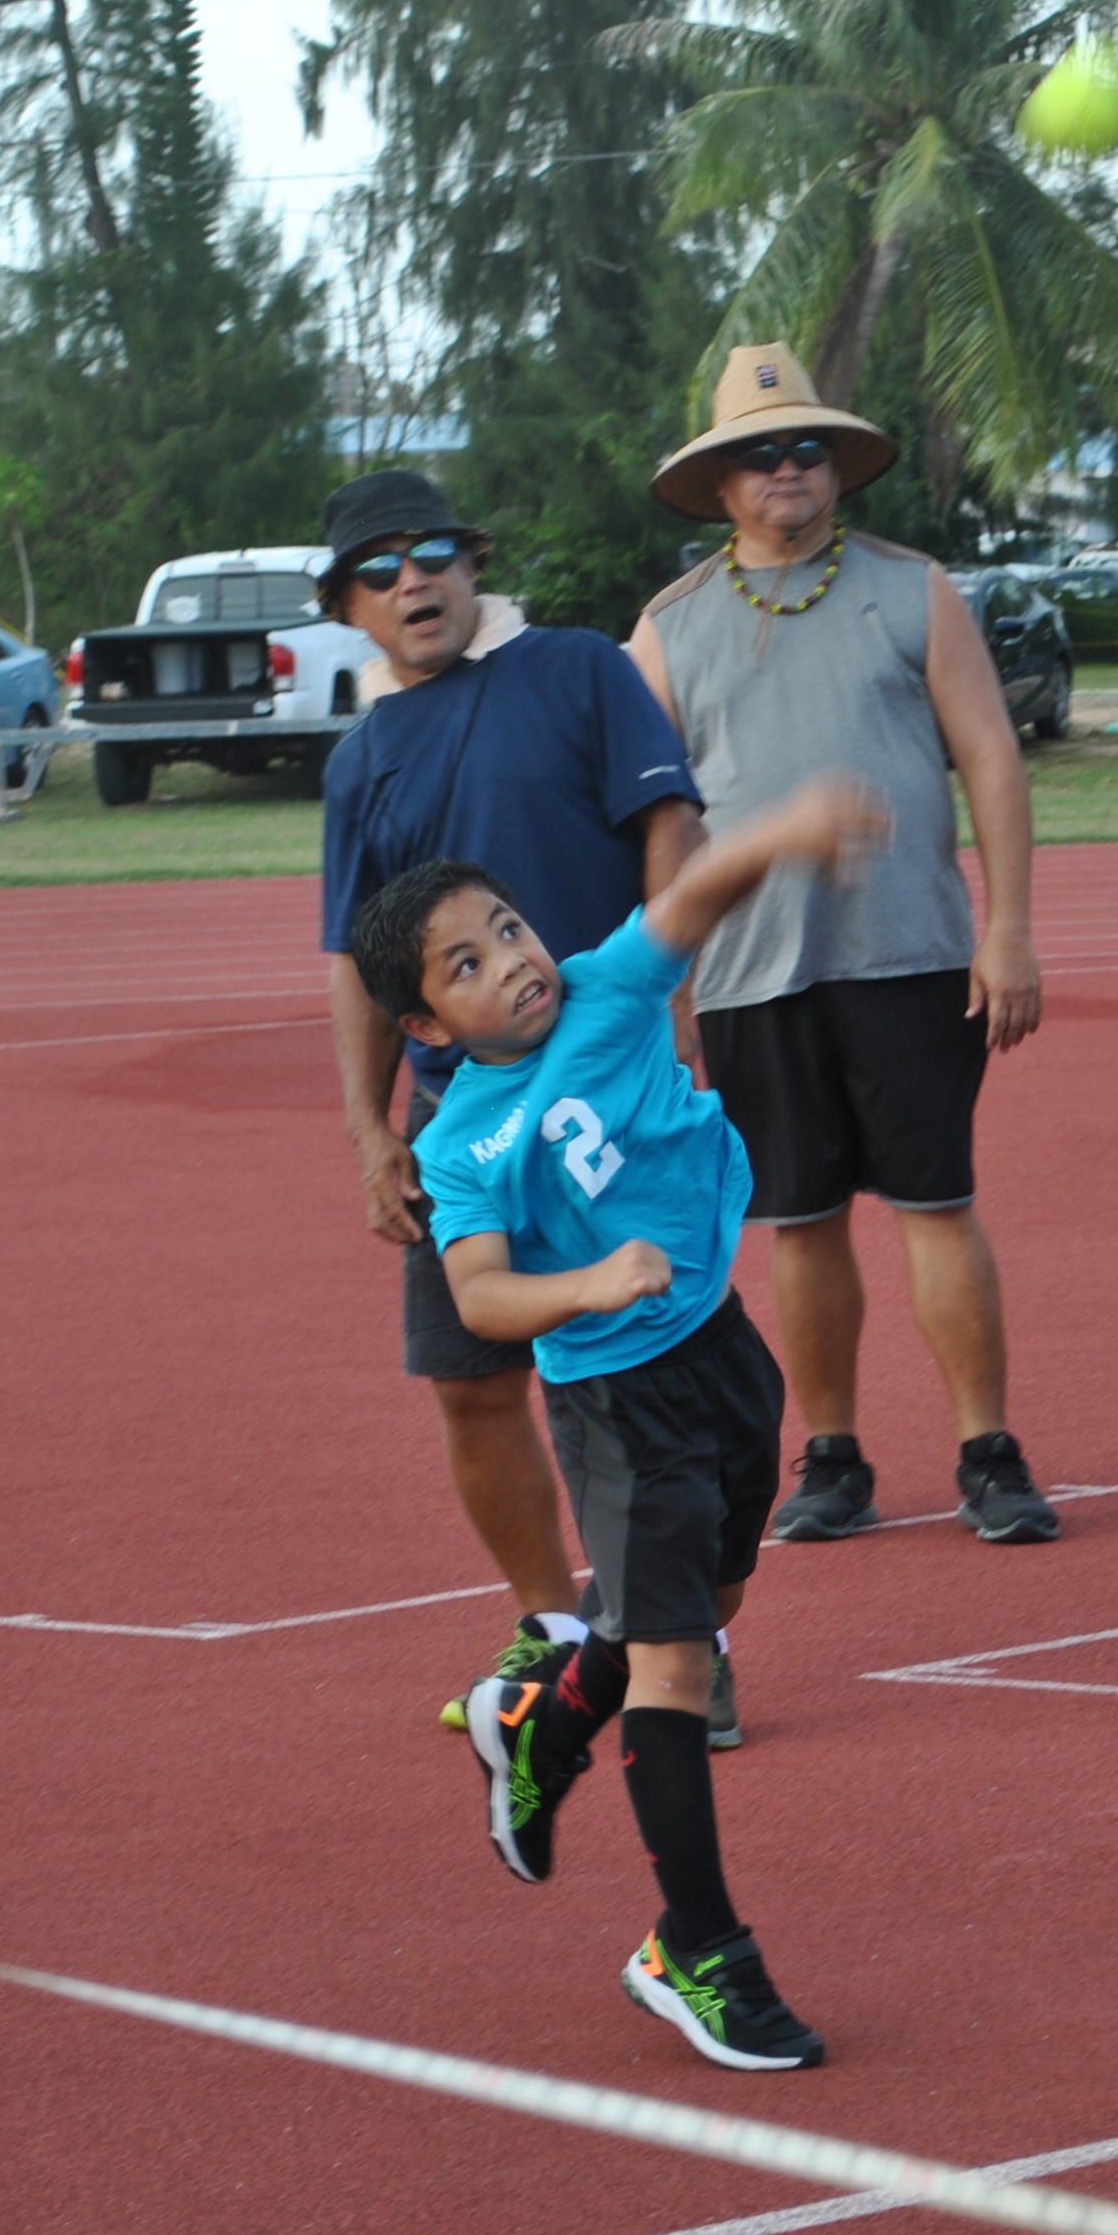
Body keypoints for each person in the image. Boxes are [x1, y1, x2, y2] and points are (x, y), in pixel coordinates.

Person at [353, 779, 890, 2071]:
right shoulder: (466, 1139)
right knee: (677, 1666)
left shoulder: (605, 986)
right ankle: (694, 1950)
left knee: (710, 1605)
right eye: (469, 964)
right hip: (616, 1399)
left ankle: (538, 1719)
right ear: (429, 1022)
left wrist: (788, 829)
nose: (514, 963)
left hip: (721, 1353)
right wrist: (587, 1285)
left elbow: (691, 895)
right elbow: (479, 1291)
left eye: (510, 929)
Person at [312, 472, 731, 1741]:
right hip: (468, 1126)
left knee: (640, 1392)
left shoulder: (576, 669)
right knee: (472, 1383)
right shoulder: (360, 760)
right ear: (347, 608)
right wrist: (372, 1126)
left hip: (600, 1110)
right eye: (379, 570)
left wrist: (668, 1010)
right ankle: (561, 1630)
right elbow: (358, 957)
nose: (413, 580)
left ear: (473, 560)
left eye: (433, 551)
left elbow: (671, 824)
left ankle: (680, 1650)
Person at [629, 345, 1052, 1547]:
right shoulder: (667, 630)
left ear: (838, 469)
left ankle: (987, 1449)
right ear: (720, 483)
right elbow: (660, 822)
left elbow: (991, 758)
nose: (788, 472)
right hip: (751, 971)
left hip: (910, 951)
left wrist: (1008, 928)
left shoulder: (913, 589)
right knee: (800, 1220)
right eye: (760, 455)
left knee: (937, 1199)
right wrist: (668, 993)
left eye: (807, 449)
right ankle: (833, 1456)